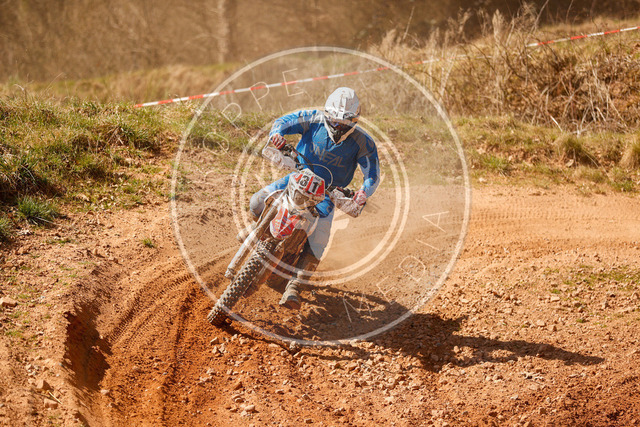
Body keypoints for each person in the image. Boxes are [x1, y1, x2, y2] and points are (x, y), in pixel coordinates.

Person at [249, 87, 380, 310]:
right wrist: (277, 134)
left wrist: (363, 193)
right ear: (327, 113)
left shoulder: (363, 142)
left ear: (355, 120)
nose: (338, 126)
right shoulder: (312, 118)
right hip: (297, 178)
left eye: (344, 122)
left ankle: (294, 286)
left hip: (328, 194)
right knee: (257, 202)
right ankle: (261, 236)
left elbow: (372, 174)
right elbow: (283, 121)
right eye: (335, 120)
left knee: (319, 239)